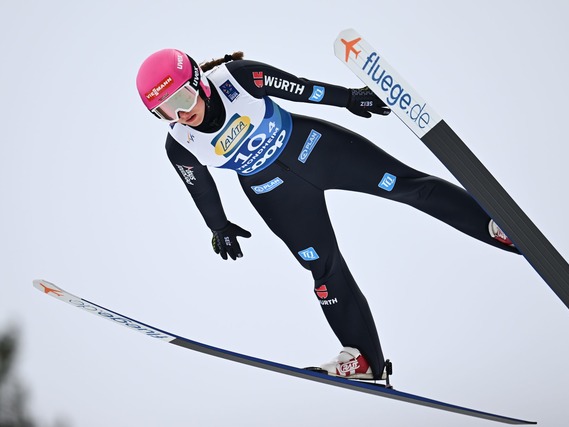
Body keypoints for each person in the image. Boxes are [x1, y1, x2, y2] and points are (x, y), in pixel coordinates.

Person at [136, 49, 519, 381]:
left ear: (199, 82)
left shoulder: (236, 78)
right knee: (323, 269)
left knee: (407, 186)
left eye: (183, 99)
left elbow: (302, 88)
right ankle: (364, 359)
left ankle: (494, 227)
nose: (181, 115)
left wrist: (350, 98)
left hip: (318, 150)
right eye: (165, 110)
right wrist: (218, 227)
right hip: (276, 194)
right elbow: (199, 187)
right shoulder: (181, 146)